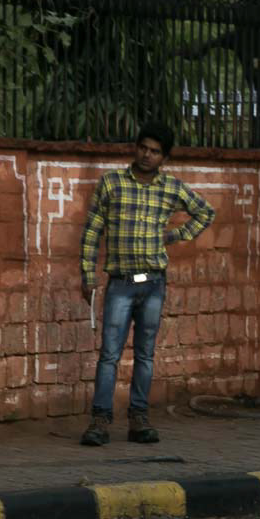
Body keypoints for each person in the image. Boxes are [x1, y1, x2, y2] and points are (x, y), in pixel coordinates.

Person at [77, 122, 216, 446]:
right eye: (143, 147)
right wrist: (87, 276)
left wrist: (175, 236)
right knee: (109, 354)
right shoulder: (111, 185)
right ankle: (100, 420)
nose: (146, 155)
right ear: (135, 147)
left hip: (153, 283)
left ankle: (139, 418)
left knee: (145, 354)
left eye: (154, 151)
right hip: (120, 284)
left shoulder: (171, 188)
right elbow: (91, 232)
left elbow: (205, 212)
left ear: (163, 157)